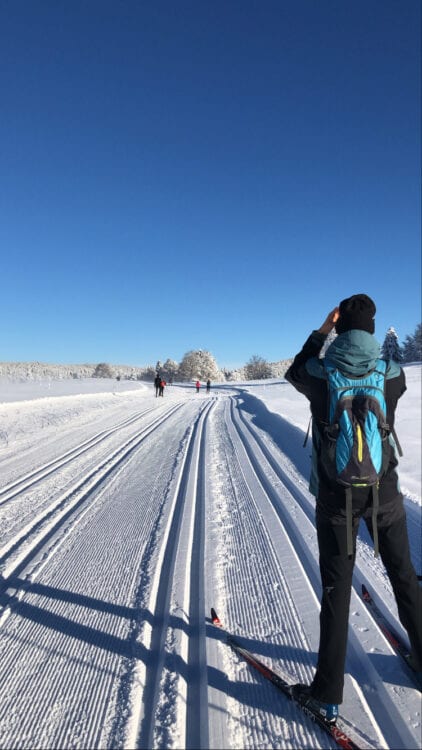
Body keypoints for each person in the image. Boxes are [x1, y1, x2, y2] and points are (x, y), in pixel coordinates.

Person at [284, 293, 422, 723]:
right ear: (373, 328)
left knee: (336, 590)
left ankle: (327, 692)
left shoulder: (320, 373)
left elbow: (294, 369)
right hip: (385, 494)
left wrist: (321, 332)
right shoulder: (391, 373)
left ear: (340, 325)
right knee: (403, 578)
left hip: (336, 499)